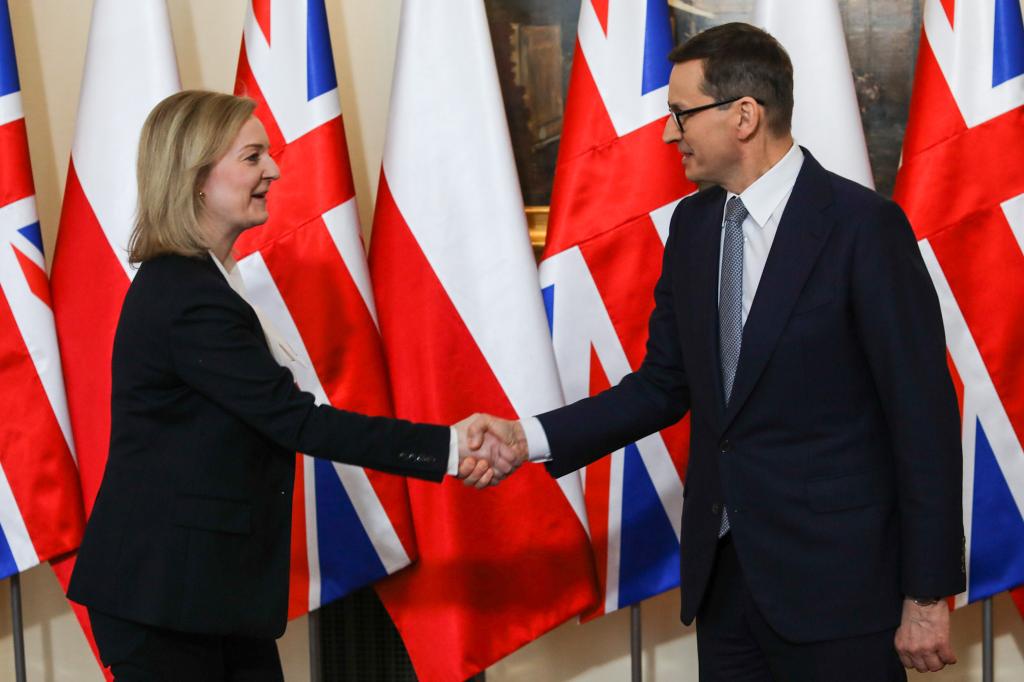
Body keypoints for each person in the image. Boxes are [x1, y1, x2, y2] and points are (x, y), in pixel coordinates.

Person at [465, 22, 965, 681]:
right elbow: (661, 385)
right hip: (726, 586)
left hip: (840, 591)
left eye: (681, 114)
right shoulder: (694, 226)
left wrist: (927, 595)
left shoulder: (863, 228)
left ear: (744, 115)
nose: (668, 134)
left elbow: (923, 419)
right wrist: (526, 437)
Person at [67, 90, 515, 681]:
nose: (274, 171)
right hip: (163, 596)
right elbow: (297, 421)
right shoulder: (188, 298)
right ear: (196, 179)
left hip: (208, 588)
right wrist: (450, 448)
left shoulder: (203, 282)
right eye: (252, 157)